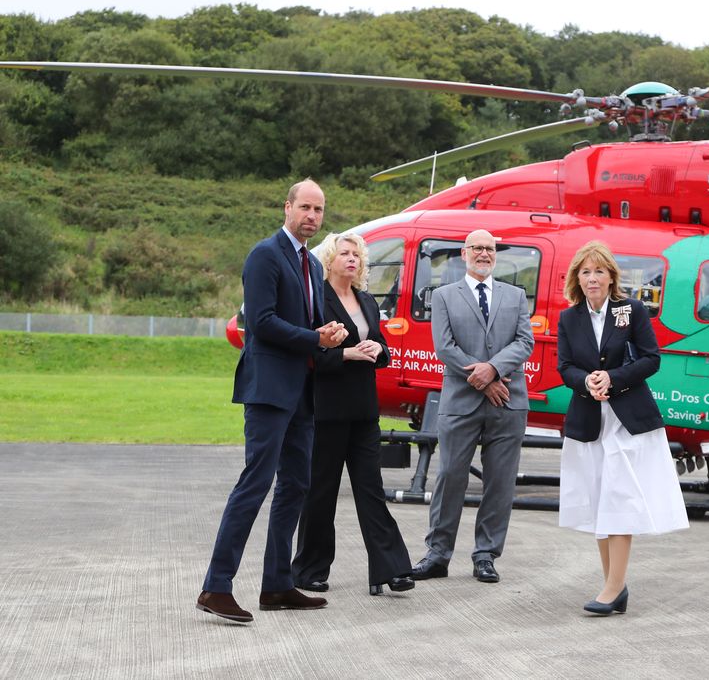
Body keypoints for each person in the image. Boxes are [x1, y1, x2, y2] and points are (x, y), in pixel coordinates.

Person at [196, 179, 348, 624]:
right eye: (305, 207)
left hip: (302, 390)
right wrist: (313, 338)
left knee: (296, 485)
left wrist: (330, 337)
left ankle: (278, 585)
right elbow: (260, 323)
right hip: (268, 388)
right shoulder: (265, 255)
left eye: (319, 211)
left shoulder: (310, 264)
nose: (312, 217)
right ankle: (216, 587)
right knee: (255, 484)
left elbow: (311, 323)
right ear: (287, 207)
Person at [556, 240, 688, 616]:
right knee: (600, 501)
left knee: (619, 498)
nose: (592, 278)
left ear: (611, 276)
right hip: (589, 422)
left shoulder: (630, 311)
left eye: (599, 271)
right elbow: (565, 367)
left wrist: (612, 378)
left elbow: (651, 359)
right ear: (576, 279)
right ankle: (614, 587)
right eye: (585, 271)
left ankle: (613, 588)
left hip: (628, 422)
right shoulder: (570, 319)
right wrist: (587, 382)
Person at [291, 232, 414, 597]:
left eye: (357, 254)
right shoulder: (316, 300)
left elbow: (384, 349)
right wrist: (344, 354)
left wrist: (378, 347)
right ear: (329, 260)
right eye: (344, 253)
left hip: (363, 410)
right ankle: (309, 570)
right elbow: (308, 352)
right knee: (321, 492)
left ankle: (390, 569)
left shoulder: (366, 300)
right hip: (326, 408)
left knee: (371, 490)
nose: (352, 259)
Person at [410, 229, 534, 584]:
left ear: (496, 255)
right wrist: (482, 378)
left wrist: (494, 370)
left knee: (500, 481)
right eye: (477, 248)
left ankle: (485, 555)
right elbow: (444, 347)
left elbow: (525, 342)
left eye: (490, 249)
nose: (484, 254)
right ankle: (437, 554)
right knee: (450, 475)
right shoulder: (445, 295)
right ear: (464, 254)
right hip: (462, 401)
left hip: (507, 402)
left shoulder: (516, 295)